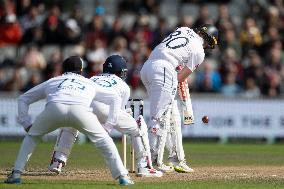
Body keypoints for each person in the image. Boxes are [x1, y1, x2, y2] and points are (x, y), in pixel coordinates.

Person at [4, 56, 134, 186]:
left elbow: (23, 99)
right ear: (81, 70)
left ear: (63, 69)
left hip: (54, 108)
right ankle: (122, 176)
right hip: (81, 111)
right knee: (105, 141)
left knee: (31, 137)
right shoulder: (88, 82)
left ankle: (16, 174)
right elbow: (115, 99)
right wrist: (109, 125)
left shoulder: (53, 81)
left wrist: (26, 123)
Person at [48, 55, 163, 177]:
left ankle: (57, 161)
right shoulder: (123, 85)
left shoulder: (92, 78)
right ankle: (144, 166)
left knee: (70, 124)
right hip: (105, 110)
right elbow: (117, 110)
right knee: (138, 123)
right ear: (122, 72)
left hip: (83, 106)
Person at [140, 25, 218, 172]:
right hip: (164, 70)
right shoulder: (199, 51)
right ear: (208, 41)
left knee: (172, 115)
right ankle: (152, 161)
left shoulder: (183, 29)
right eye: (209, 45)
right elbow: (180, 77)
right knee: (160, 118)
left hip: (147, 67)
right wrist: (171, 85)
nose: (207, 47)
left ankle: (176, 159)